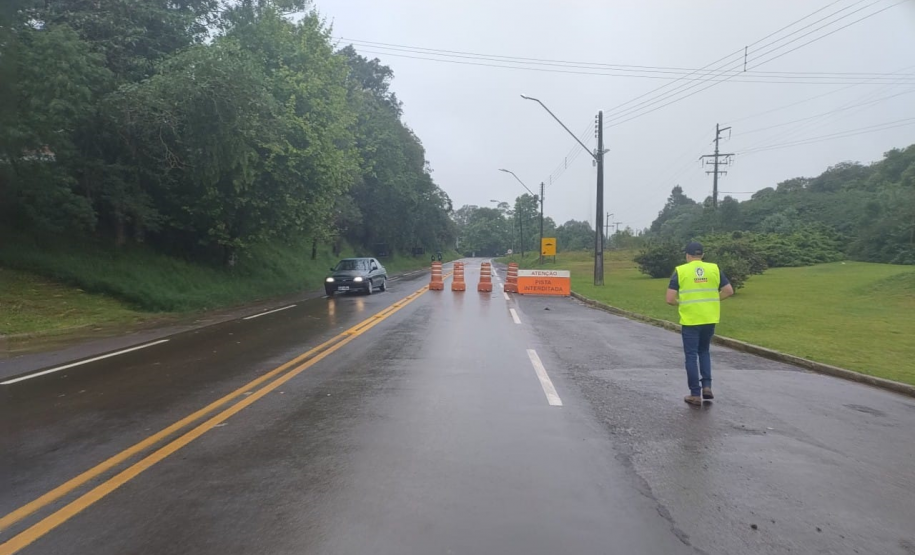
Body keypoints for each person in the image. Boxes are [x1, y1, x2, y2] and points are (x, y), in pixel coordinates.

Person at [666, 242, 734, 406]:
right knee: (704, 351)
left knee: (691, 355)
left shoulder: (681, 271)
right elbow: (728, 291)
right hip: (709, 318)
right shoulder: (714, 269)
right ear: (702, 255)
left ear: (687, 255)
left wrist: (680, 303)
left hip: (691, 319)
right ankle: (707, 386)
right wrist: (713, 300)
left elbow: (670, 299)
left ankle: (695, 393)